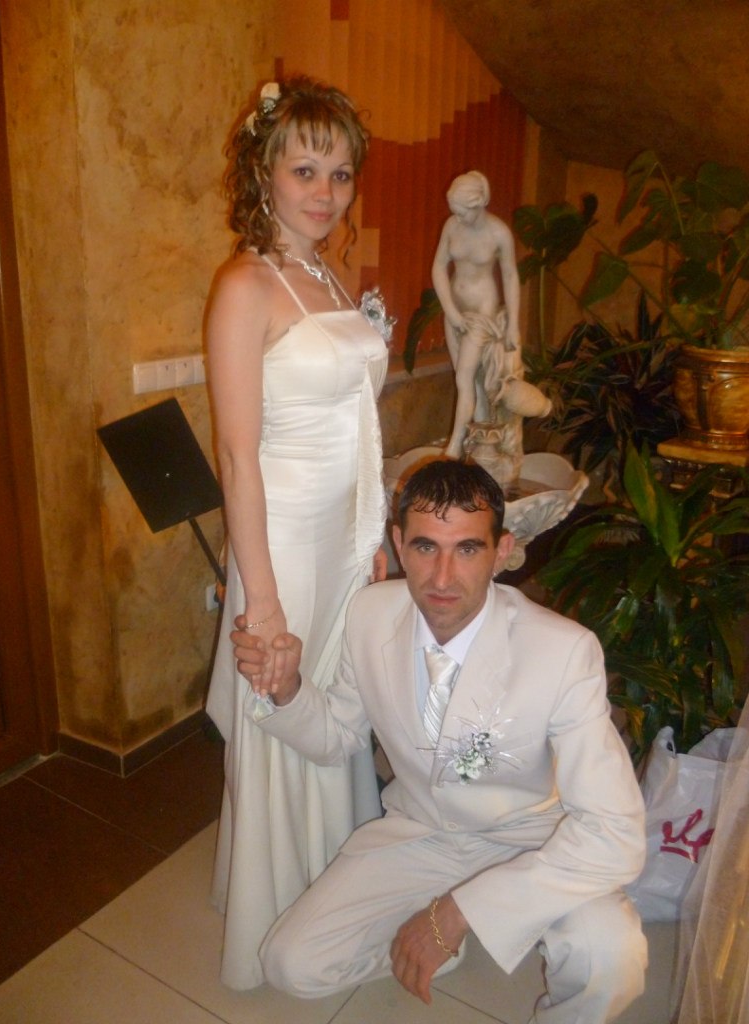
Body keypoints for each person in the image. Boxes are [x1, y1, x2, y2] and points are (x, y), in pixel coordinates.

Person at [233, 459, 648, 1023]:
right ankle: (439, 951)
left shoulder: (563, 651)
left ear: (502, 552)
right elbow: (337, 737)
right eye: (426, 547)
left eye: (468, 549)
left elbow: (616, 834)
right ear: (400, 545)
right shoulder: (369, 614)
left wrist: (459, 912)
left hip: (532, 839)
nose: (444, 577)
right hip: (422, 833)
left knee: (612, 957)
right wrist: (286, 691)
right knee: (292, 964)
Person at [204, 75, 392, 991]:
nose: (325, 192)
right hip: (279, 544)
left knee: (339, 702)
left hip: (342, 538)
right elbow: (237, 457)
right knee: (285, 708)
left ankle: (334, 885)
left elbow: (360, 419)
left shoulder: (325, 275)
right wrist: (265, 605)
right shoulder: (245, 285)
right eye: (305, 169)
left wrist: (373, 530)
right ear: (264, 171)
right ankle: (277, 913)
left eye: (341, 173)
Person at [431, 171, 522, 458]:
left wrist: (513, 325)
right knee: (468, 378)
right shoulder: (452, 226)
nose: (457, 218)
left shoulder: (499, 233)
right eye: (454, 212)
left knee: (464, 378)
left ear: (479, 203)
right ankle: (481, 438)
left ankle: (455, 445)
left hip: (482, 312)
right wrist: (451, 311)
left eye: (462, 212)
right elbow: (438, 268)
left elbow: (510, 276)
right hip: (454, 309)